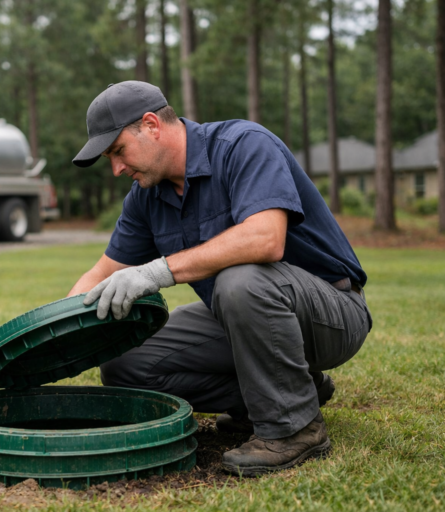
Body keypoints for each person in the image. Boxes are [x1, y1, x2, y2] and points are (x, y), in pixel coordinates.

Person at [68, 81, 372, 476]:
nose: (116, 168)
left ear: (151, 125)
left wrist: (157, 271)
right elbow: (103, 272)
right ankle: (296, 391)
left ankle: (294, 428)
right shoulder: (146, 196)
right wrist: (63, 329)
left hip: (331, 313)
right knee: (126, 364)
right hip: (240, 316)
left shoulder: (243, 145)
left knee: (239, 279)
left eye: (118, 151)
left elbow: (265, 240)